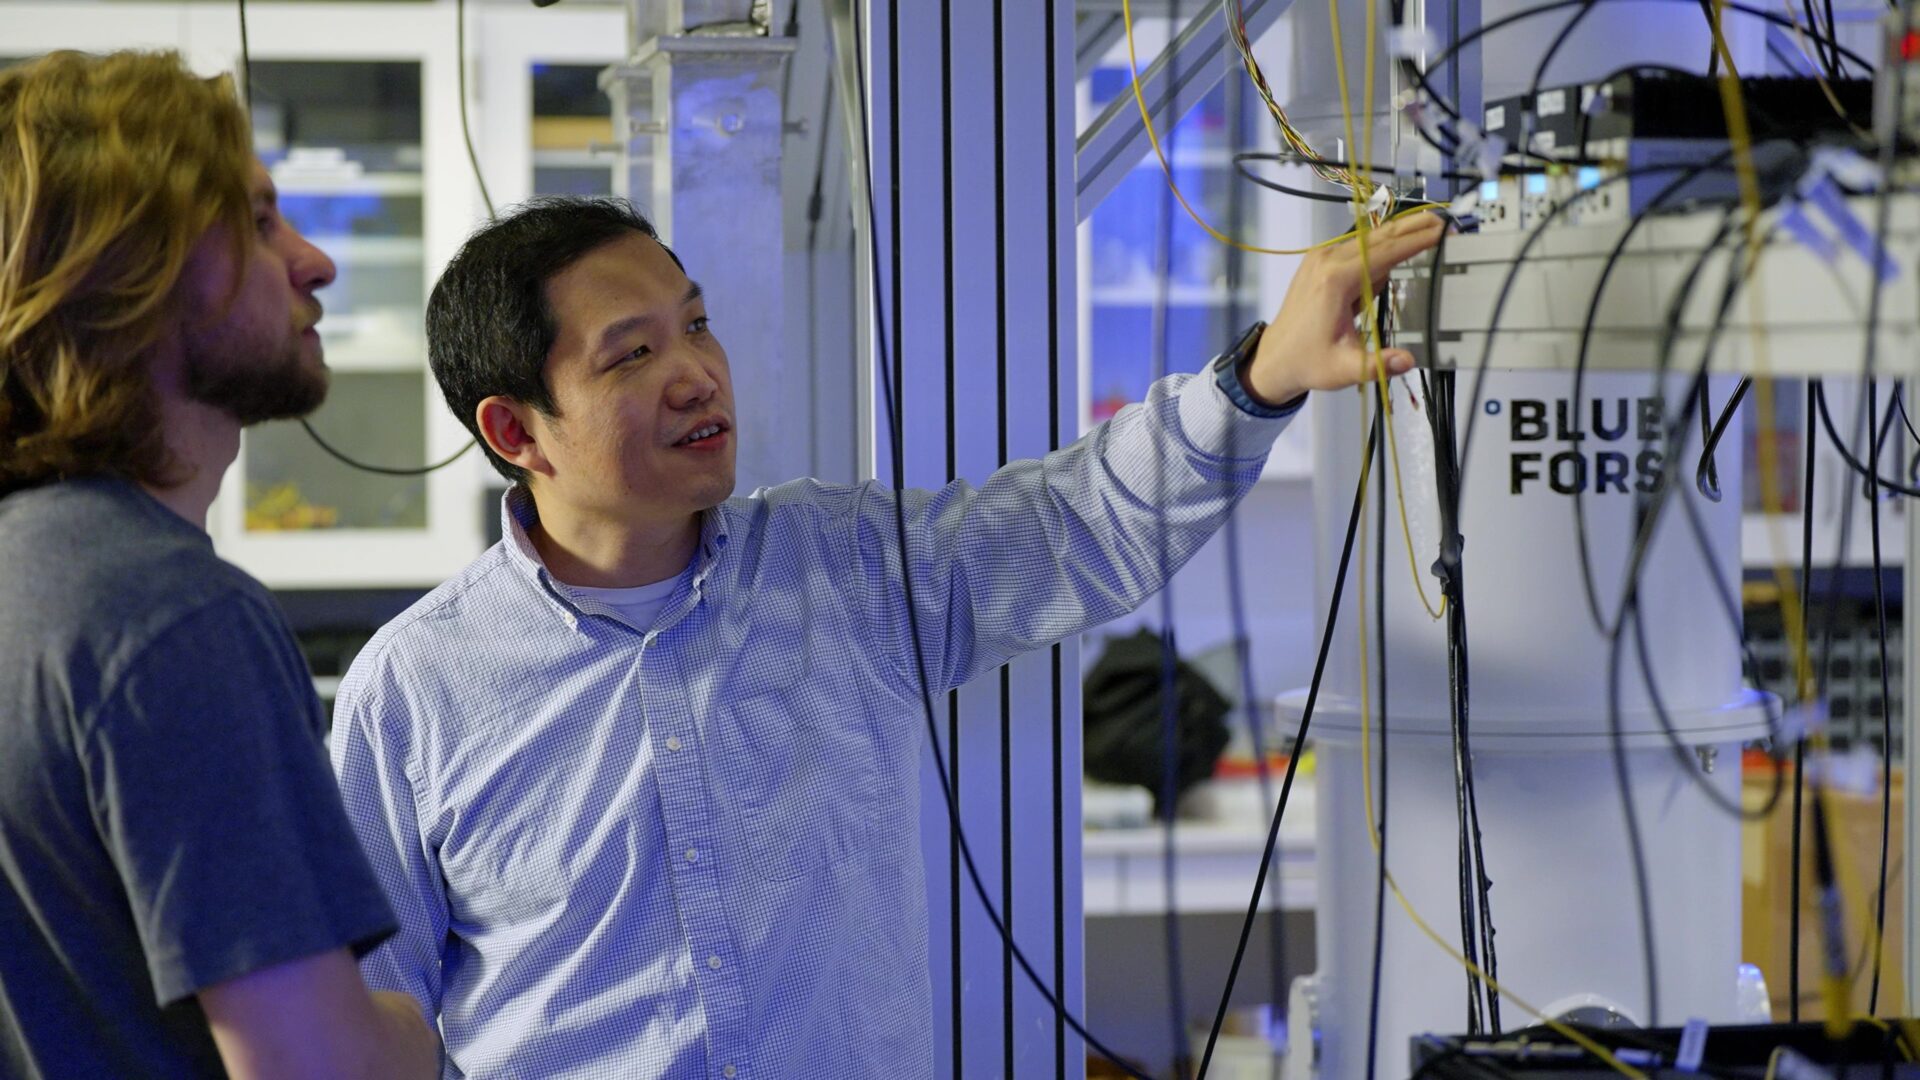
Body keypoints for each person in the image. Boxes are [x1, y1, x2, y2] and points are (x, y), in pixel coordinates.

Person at [329, 194, 1443, 1077]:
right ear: (515, 428)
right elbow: (368, 1021)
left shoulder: (842, 569)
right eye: (631, 355)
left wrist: (1259, 381)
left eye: (698, 324)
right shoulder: (416, 688)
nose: (696, 372)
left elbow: (1075, 521)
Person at [0, 50, 437, 1079]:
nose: (314, 262)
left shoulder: (31, 575)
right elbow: (314, 1067)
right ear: (126, 266)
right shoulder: (167, 614)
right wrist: (423, 1039)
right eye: (256, 221)